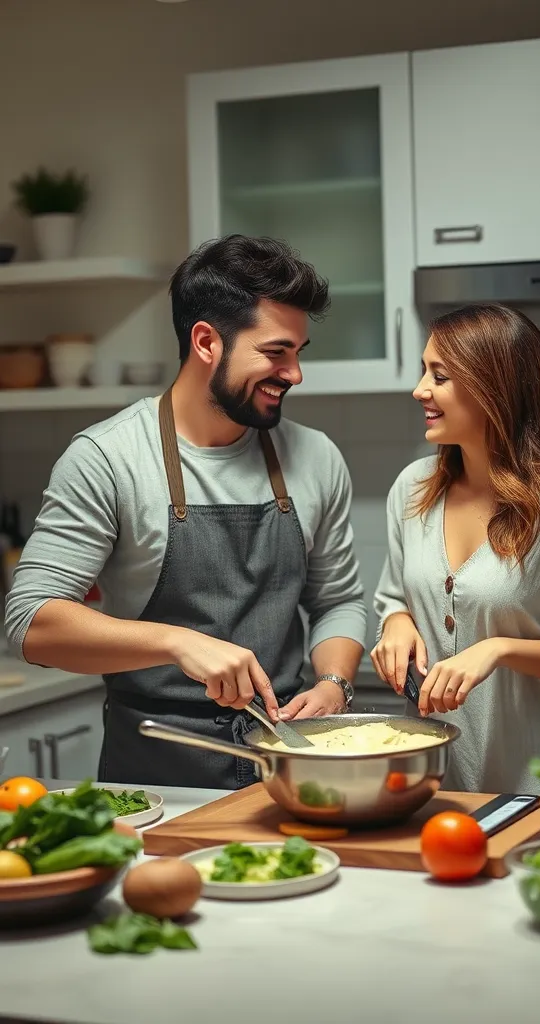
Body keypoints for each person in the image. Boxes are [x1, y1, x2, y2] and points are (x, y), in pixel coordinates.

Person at [4, 234, 366, 789]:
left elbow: (336, 599)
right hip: (156, 768)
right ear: (206, 342)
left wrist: (334, 683)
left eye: (298, 352)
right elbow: (30, 620)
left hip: (288, 761)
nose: (294, 374)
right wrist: (176, 641)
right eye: (275, 352)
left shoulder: (314, 456)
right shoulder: (108, 457)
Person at [370, 303, 540, 796]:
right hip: (433, 785)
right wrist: (396, 624)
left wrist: (498, 650)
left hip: (538, 786)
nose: (419, 390)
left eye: (440, 375)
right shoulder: (411, 489)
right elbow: (394, 598)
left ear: (493, 387)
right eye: (423, 371)